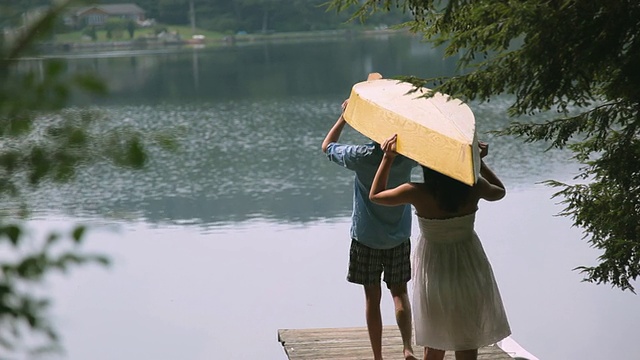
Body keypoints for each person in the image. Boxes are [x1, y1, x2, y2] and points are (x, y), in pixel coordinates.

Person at [369, 134, 511, 360]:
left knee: (435, 342)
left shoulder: (416, 191)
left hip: (434, 266)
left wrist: (387, 158)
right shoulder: (473, 186)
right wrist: (479, 162)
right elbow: (499, 191)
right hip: (468, 262)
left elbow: (375, 195)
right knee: (467, 338)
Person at [322, 101, 419, 360]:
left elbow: (327, 147)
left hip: (366, 238)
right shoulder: (409, 158)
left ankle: (378, 357)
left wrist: (344, 118)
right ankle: (407, 347)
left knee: (372, 298)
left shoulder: (360, 156)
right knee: (399, 293)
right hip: (398, 237)